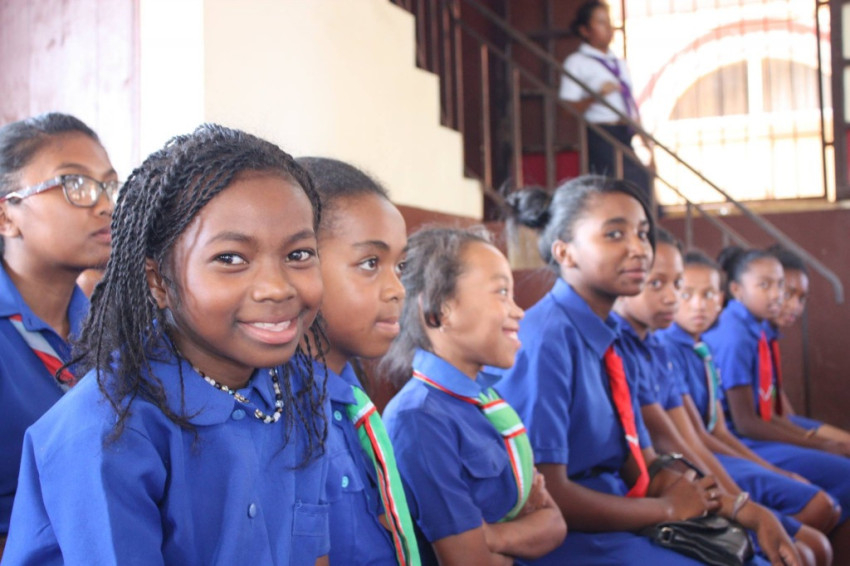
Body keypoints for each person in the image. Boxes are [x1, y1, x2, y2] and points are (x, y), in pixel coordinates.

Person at [3, 124, 331, 565]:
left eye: (298, 254)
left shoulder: (300, 388)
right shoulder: (105, 429)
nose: (277, 287)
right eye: (230, 258)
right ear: (159, 282)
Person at [497, 175, 798, 565]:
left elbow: (644, 463)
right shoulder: (546, 341)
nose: (639, 249)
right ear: (565, 253)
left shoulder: (609, 336)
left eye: (642, 234)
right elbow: (548, 494)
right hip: (570, 538)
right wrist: (666, 510)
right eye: (614, 234)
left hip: (624, 515)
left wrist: (745, 510)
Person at [615, 233, 831, 565]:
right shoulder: (643, 345)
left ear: (721, 298)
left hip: (694, 466)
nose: (677, 298)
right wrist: (741, 507)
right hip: (669, 479)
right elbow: (680, 446)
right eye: (658, 283)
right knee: (807, 540)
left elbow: (702, 435)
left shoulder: (659, 347)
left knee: (815, 543)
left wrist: (742, 503)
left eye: (678, 285)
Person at [381, 226, 566, 566]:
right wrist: (519, 534)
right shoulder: (419, 419)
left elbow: (555, 524)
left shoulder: (487, 402)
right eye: (501, 292)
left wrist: (493, 537)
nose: (519, 311)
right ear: (439, 311)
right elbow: (468, 560)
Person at [0, 113, 117, 553]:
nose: (104, 205)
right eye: (75, 184)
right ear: (6, 216)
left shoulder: (112, 331)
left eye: (109, 185)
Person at [297, 157, 420, 566]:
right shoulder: (284, 420)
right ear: (298, 262)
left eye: (400, 266)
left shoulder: (351, 396)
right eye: (371, 263)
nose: (397, 289)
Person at [704, 246, 850, 563]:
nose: (778, 295)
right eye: (765, 285)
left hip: (755, 429)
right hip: (741, 439)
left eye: (780, 285)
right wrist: (819, 446)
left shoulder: (756, 327)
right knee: (843, 476)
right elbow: (745, 423)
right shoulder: (734, 333)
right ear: (736, 290)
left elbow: (773, 410)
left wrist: (816, 441)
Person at [559, 0, 653, 202]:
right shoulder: (577, 63)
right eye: (601, 22)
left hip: (625, 131)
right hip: (602, 133)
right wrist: (596, 96)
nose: (609, 28)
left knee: (642, 183)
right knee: (623, 186)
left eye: (610, 22)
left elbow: (630, 103)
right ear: (585, 30)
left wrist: (646, 142)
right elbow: (567, 109)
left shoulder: (618, 63)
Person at [766, 245, 850, 446]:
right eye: (788, 294)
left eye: (801, 298)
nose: (795, 306)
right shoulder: (744, 339)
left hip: (782, 425)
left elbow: (784, 412)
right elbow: (752, 422)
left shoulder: (770, 339)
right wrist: (815, 444)